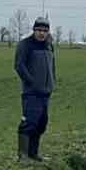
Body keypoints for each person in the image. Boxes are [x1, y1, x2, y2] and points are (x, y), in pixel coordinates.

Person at [14, 16, 56, 160]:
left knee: (41, 124)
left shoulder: (49, 45)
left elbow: (52, 65)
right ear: (34, 30)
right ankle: (23, 155)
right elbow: (19, 66)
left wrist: (52, 82)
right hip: (31, 93)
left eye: (45, 30)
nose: (42, 33)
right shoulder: (25, 45)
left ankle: (34, 153)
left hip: (46, 92)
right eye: (39, 30)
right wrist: (32, 82)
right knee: (29, 122)